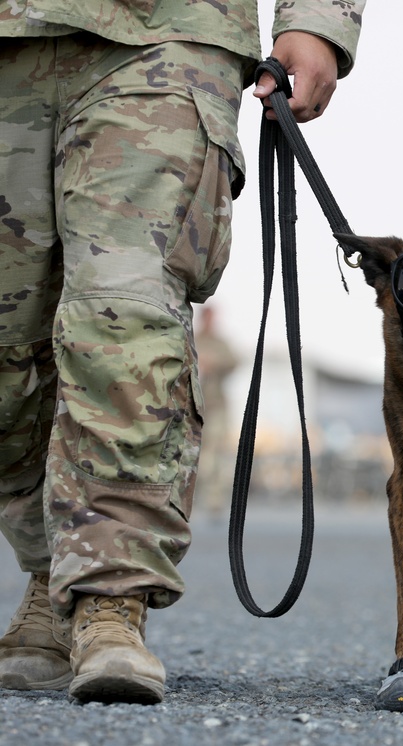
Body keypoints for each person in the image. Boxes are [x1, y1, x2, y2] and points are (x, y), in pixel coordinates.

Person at [0, 0, 364, 704]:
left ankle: (108, 598)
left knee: (125, 314)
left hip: (168, 36)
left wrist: (319, 17)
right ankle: (52, 574)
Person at [193, 306, 240, 521]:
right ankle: (191, 497)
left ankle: (214, 500)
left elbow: (234, 362)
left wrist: (214, 362)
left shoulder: (221, 343)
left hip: (216, 404)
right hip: (193, 404)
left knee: (216, 454)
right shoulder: (193, 338)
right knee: (195, 453)